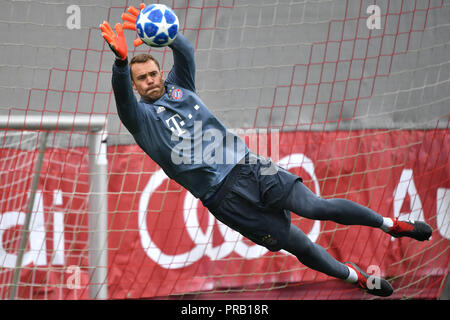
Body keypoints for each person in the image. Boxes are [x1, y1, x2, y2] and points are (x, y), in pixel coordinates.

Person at [99, 4, 432, 297]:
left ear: (161, 72)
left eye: (153, 73)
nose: (150, 80)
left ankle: (391, 224)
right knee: (298, 244)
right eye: (141, 78)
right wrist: (121, 61)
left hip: (251, 166)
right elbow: (123, 99)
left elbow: (184, 50)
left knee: (316, 206)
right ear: (135, 84)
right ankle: (354, 276)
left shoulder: (181, 86)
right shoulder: (140, 119)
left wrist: (165, 31)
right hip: (223, 198)